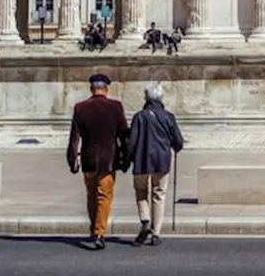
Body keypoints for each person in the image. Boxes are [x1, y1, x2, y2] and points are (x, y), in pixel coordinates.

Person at [66, 73, 129, 250]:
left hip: (89, 158)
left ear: (91, 88)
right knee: (104, 195)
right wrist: (126, 158)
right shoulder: (115, 107)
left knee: (92, 195)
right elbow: (123, 135)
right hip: (109, 159)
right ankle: (100, 232)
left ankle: (95, 228)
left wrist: (72, 159)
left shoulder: (81, 107)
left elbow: (74, 138)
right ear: (107, 89)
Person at [127, 82, 185, 247]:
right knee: (158, 194)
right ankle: (156, 233)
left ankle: (145, 219)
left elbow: (132, 142)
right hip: (162, 160)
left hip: (141, 160)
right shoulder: (168, 116)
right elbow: (178, 141)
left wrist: (128, 159)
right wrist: (176, 147)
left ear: (146, 97)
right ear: (161, 98)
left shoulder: (139, 116)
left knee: (141, 191)